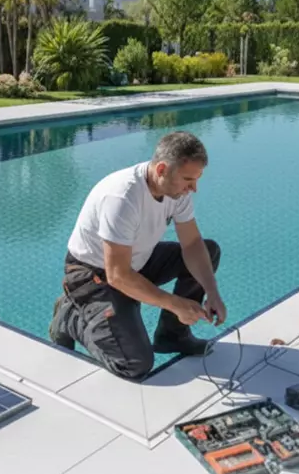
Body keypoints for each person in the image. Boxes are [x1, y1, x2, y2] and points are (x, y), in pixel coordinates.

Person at [48, 131, 226, 380]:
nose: (193, 188)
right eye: (188, 180)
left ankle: (172, 335)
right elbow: (118, 275)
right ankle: (70, 316)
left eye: (196, 180)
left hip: (135, 261)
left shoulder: (177, 192)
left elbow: (193, 243)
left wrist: (213, 292)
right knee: (134, 364)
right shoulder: (122, 196)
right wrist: (176, 304)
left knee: (208, 250)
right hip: (93, 274)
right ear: (162, 169)